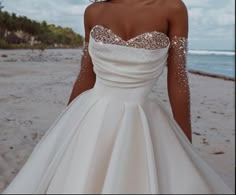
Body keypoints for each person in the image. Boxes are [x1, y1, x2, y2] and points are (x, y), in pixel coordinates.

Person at [3, 0, 233, 194]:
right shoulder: (93, 11)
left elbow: (178, 81)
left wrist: (186, 147)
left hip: (130, 113)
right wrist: (63, 128)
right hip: (90, 112)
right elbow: (85, 75)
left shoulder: (172, 8)